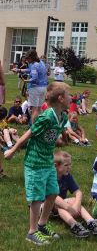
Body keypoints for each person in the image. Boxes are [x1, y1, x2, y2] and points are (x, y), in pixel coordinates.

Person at [4, 81, 71, 246]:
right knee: (36, 198)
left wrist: (64, 138)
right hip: (35, 162)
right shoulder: (46, 116)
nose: (71, 98)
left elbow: (58, 132)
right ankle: (32, 232)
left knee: (53, 192)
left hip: (47, 160)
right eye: (69, 95)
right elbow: (30, 133)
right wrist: (12, 151)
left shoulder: (62, 116)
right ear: (61, 98)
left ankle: (41, 225)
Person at [54, 151, 97, 237]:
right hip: (46, 207)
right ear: (55, 166)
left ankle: (91, 222)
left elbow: (78, 192)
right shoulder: (51, 178)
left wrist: (77, 204)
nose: (69, 167)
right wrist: (69, 208)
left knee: (74, 200)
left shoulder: (67, 176)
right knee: (60, 206)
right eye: (66, 165)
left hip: (61, 203)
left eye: (70, 164)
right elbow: (53, 197)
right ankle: (74, 225)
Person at [12, 49, 48, 124]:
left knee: (34, 109)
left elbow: (34, 78)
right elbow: (30, 70)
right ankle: (40, 125)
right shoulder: (41, 63)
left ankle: (33, 129)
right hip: (43, 88)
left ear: (32, 57)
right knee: (39, 108)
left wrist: (26, 81)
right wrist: (19, 70)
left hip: (35, 88)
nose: (27, 60)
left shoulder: (34, 65)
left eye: (28, 58)